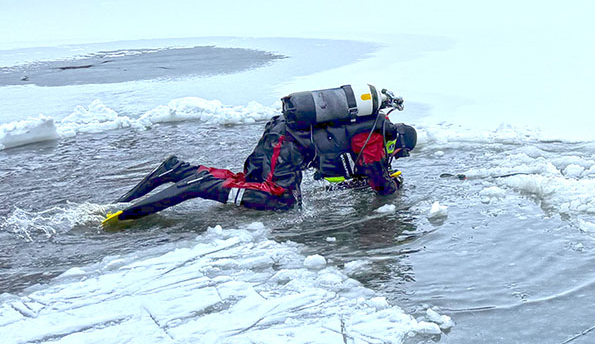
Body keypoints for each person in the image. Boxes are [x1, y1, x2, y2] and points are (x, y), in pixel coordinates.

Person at [106, 111, 416, 225]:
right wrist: (391, 186)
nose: (395, 157)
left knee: (250, 181)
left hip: (281, 135)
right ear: (398, 141)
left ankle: (180, 170)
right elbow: (377, 177)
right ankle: (198, 184)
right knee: (282, 199)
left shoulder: (369, 126)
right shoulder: (377, 135)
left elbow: (358, 169)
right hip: (287, 145)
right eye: (399, 153)